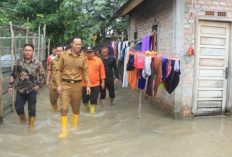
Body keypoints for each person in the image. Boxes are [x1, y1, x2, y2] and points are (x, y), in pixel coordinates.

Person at [56, 37, 90, 138]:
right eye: (76, 44)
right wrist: (58, 85)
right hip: (65, 84)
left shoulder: (83, 57)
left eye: (80, 44)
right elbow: (58, 70)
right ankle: (64, 130)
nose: (78, 46)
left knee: (76, 107)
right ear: (71, 44)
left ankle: (74, 126)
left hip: (77, 85)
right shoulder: (64, 55)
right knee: (64, 107)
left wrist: (88, 85)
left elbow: (86, 72)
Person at [8, 44, 44, 129]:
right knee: (18, 108)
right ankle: (23, 119)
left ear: (33, 52)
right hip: (20, 90)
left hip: (32, 90)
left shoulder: (37, 63)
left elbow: (42, 75)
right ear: (23, 51)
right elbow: (13, 75)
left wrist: (38, 86)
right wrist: (10, 86)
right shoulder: (18, 62)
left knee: (32, 109)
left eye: (29, 50)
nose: (27, 52)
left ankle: (31, 125)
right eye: (26, 50)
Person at [82, 46, 105, 114]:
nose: (89, 54)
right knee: (85, 100)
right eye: (87, 52)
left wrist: (103, 82)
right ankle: (86, 110)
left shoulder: (98, 60)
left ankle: (92, 114)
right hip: (84, 84)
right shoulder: (82, 60)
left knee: (94, 99)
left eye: (91, 52)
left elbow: (102, 72)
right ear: (85, 53)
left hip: (95, 84)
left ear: (93, 52)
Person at [46, 45, 64, 112]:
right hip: (53, 83)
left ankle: (63, 113)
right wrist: (47, 80)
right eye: (57, 51)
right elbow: (49, 70)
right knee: (52, 99)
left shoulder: (66, 61)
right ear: (55, 52)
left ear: (63, 51)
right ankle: (55, 111)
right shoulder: (52, 61)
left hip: (63, 83)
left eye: (60, 51)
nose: (59, 52)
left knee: (64, 100)